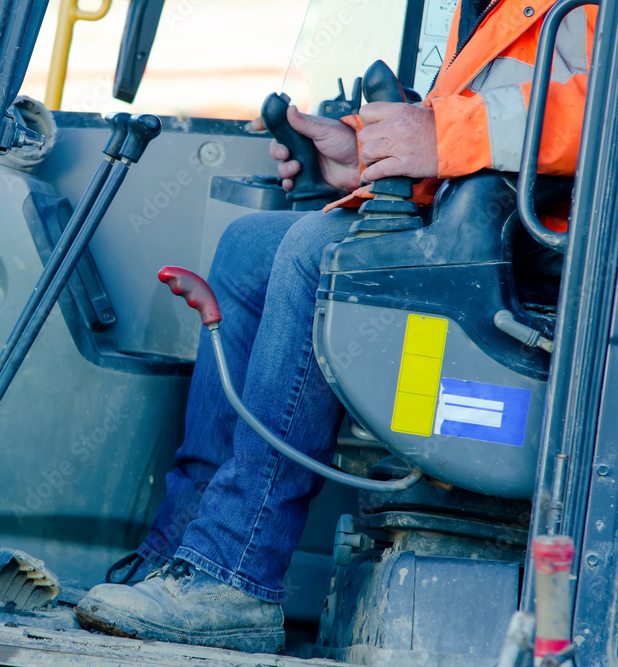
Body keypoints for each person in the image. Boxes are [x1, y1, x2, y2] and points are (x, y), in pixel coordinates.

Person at [75, 0, 596, 654]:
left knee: (318, 252)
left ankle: (233, 573)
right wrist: (367, 149)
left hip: (562, 267)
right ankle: (181, 549)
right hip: (494, 228)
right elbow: (484, 122)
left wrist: (443, 134)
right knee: (246, 249)